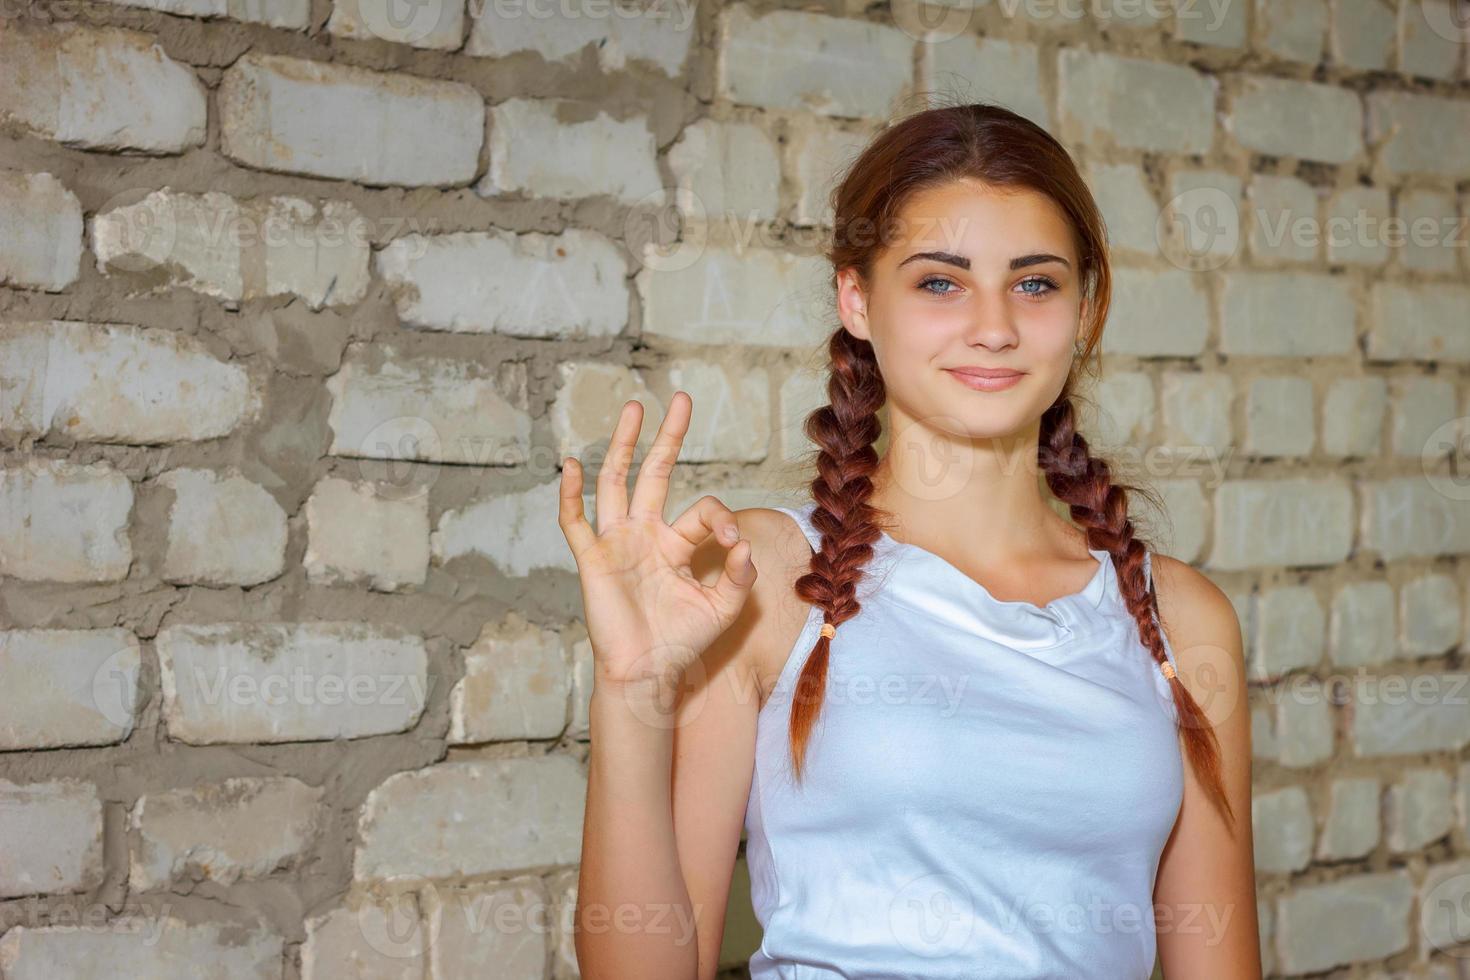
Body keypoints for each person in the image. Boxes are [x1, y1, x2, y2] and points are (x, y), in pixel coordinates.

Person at [561, 102, 1260, 980]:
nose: (994, 325)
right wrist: (631, 692)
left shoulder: (1180, 619)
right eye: (940, 281)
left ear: (1087, 308)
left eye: (1036, 283)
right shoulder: (764, 579)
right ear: (856, 299)